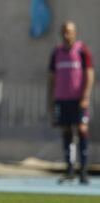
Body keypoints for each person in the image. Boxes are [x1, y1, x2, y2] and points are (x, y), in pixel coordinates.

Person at [48, 21, 95, 185]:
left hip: (78, 100)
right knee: (66, 132)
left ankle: (83, 170)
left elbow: (89, 74)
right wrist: (51, 101)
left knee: (82, 129)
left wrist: (85, 97)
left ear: (75, 32)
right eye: (64, 32)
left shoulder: (82, 51)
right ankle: (69, 169)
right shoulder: (57, 53)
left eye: (69, 32)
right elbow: (52, 79)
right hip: (62, 99)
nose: (67, 35)